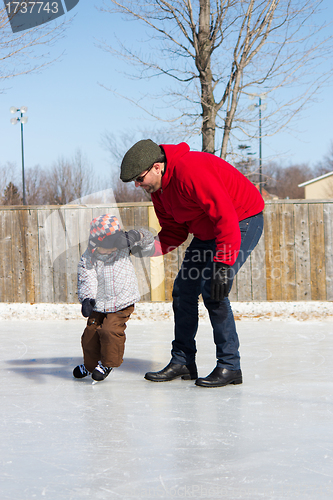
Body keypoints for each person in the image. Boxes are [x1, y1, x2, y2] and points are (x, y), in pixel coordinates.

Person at [120, 140, 265, 387]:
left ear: (157, 167)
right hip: (207, 231)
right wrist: (139, 249)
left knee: (214, 290)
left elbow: (225, 216)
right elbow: (174, 232)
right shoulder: (159, 191)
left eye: (139, 178)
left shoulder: (191, 170)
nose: (137, 184)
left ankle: (230, 366)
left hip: (241, 220)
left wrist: (222, 264)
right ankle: (183, 361)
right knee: (183, 291)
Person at [73, 214, 154, 382]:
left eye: (113, 245)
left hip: (122, 301)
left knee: (110, 330)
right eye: (106, 246)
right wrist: (87, 298)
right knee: (90, 333)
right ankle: (89, 367)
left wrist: (136, 235)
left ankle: (107, 363)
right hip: (99, 303)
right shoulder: (89, 256)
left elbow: (149, 244)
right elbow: (86, 277)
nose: (110, 250)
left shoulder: (125, 248)